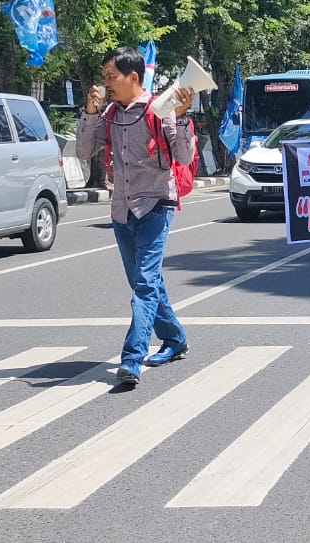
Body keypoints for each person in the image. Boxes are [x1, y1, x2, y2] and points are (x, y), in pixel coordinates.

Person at [76, 47, 196, 385]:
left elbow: (184, 157)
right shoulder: (111, 114)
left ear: (133, 77)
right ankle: (174, 338)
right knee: (145, 282)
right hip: (122, 209)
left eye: (111, 77)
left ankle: (131, 358)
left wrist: (183, 117)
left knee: (144, 283)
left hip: (156, 205)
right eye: (104, 78)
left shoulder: (161, 109)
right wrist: (90, 111)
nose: (106, 84)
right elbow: (84, 151)